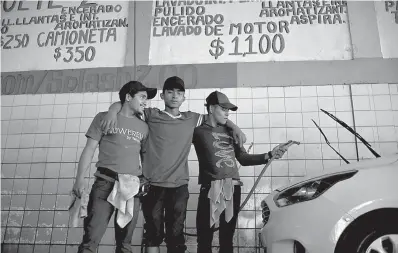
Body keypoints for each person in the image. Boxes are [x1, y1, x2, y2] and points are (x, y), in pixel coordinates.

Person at [100, 76, 246, 253]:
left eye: (179, 93)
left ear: (184, 98)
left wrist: (235, 127)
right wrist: (110, 111)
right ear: (162, 96)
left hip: (179, 186)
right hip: (152, 184)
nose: (175, 96)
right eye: (170, 92)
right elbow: (124, 104)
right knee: (153, 234)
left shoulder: (191, 119)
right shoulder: (150, 114)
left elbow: (216, 116)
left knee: (175, 236)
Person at [192, 91, 287, 253]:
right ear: (211, 108)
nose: (227, 113)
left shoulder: (231, 132)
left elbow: (243, 158)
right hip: (210, 187)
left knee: (227, 238)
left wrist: (269, 155)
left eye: (228, 109)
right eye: (223, 109)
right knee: (204, 238)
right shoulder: (198, 131)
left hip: (232, 187)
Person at [72, 81, 157, 253]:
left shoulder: (144, 127)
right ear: (128, 97)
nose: (145, 102)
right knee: (90, 241)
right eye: (142, 97)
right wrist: (79, 180)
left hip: (131, 189)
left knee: (125, 245)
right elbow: (89, 150)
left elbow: (146, 158)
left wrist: (145, 181)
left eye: (146, 99)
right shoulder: (104, 118)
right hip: (105, 183)